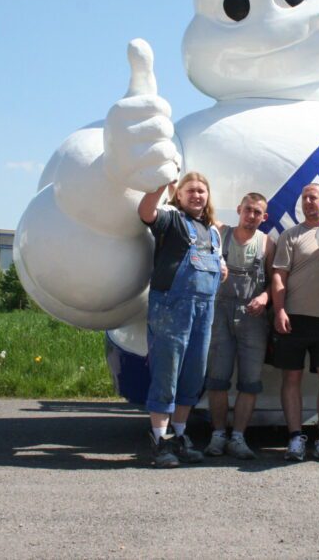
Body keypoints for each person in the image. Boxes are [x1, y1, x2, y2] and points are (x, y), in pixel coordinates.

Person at [137, 171, 227, 468]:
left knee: (193, 375)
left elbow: (215, 265)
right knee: (167, 372)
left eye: (202, 190)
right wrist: (162, 181)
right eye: (191, 190)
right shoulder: (172, 219)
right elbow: (145, 212)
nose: (197, 195)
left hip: (204, 311)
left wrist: (221, 267)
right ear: (180, 194)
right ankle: (160, 439)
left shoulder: (213, 231)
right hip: (172, 308)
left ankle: (179, 435)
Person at [272, 183, 319, 463]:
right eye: (304, 198)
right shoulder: (290, 236)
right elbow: (279, 277)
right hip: (294, 318)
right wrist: (279, 310)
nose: (308, 201)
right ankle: (295, 439)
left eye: (313, 197)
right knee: (291, 378)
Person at [203, 193, 276, 460]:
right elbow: (193, 211)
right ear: (238, 210)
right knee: (217, 379)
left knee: (250, 382)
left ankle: (238, 437)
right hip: (219, 313)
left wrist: (265, 297)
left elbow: (275, 280)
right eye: (248, 210)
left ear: (264, 217)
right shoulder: (220, 232)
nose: (252, 216)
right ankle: (218, 434)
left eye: (257, 212)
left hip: (253, 318)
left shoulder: (268, 244)